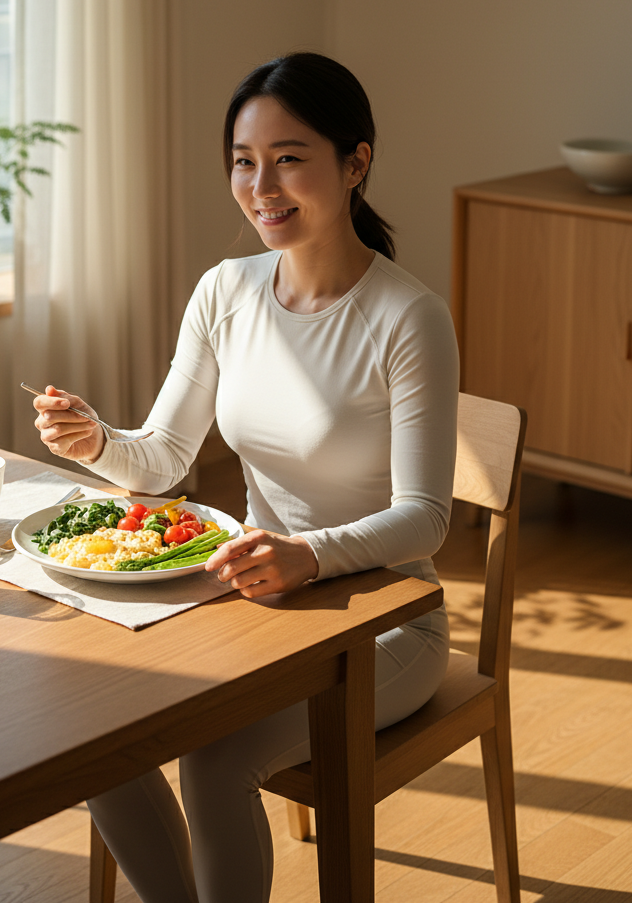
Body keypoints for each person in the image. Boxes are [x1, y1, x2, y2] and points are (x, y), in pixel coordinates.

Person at [32, 52, 459, 903]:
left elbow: (426, 520)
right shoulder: (226, 290)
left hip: (385, 623)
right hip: (260, 604)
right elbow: (160, 461)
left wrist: (307, 554)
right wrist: (96, 444)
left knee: (215, 755)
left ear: (356, 163)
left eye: (290, 157)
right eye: (243, 160)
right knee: (90, 734)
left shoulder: (409, 317)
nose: (261, 184)